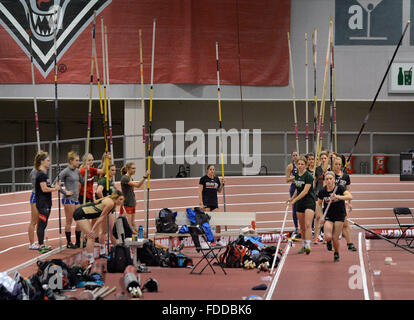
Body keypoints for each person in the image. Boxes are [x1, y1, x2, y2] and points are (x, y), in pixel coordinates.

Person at [73, 190, 125, 265]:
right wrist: (93, 229)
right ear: (116, 198)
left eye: (122, 200)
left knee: (91, 235)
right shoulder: (110, 203)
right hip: (80, 214)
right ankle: (91, 260)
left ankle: (91, 258)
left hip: (86, 213)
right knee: (91, 236)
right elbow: (101, 217)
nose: (121, 202)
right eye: (120, 199)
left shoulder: (111, 200)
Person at [317, 171, 353, 262]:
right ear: (324, 180)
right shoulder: (322, 191)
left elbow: (350, 196)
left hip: (339, 215)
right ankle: (328, 242)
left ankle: (336, 253)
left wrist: (338, 197)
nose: (329, 181)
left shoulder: (340, 188)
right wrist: (321, 216)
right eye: (327, 179)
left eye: (330, 179)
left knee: (335, 238)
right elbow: (318, 204)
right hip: (328, 216)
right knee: (328, 236)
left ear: (334, 180)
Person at [34, 151, 60, 254]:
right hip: (42, 204)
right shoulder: (41, 175)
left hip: (46, 203)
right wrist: (55, 189)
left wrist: (54, 186)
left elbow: (47, 187)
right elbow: (44, 189)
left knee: (44, 224)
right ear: (42, 161)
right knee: (42, 224)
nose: (50, 162)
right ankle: (41, 245)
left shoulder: (44, 174)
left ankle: (42, 244)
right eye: (48, 160)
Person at [288, 156, 316, 254]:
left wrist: (294, 200)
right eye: (298, 164)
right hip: (300, 203)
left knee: (308, 225)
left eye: (302, 164)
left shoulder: (309, 175)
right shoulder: (296, 175)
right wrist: (291, 198)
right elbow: (297, 189)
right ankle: (303, 246)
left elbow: (304, 191)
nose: (300, 166)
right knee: (302, 226)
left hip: (309, 202)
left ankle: (308, 245)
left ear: (306, 165)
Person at [331, 155, 357, 252]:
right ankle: (332, 243)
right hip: (332, 203)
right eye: (335, 164)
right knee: (334, 225)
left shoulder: (345, 176)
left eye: (339, 164)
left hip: (342, 203)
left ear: (341, 165)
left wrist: (349, 203)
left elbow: (348, 190)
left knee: (345, 224)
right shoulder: (330, 175)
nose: (337, 166)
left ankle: (349, 243)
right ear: (333, 165)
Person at [59, 151, 84, 249]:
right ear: (71, 161)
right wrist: (65, 192)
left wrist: (85, 171)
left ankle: (78, 242)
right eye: (76, 160)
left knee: (80, 220)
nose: (78, 162)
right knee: (69, 221)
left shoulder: (77, 170)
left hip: (76, 199)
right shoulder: (66, 171)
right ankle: (69, 242)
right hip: (68, 199)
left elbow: (82, 181)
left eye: (79, 160)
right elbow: (55, 183)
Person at [198, 165, 225, 246]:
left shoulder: (216, 179)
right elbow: (200, 191)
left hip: (214, 203)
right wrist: (201, 203)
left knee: (218, 222)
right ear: (207, 170)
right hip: (206, 203)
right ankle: (208, 240)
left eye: (213, 169)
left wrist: (222, 184)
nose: (212, 171)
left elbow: (219, 191)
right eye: (210, 169)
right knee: (208, 223)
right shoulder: (203, 179)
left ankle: (218, 240)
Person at [120, 162, 150, 232]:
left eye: (135, 168)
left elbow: (131, 191)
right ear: (127, 169)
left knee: (133, 222)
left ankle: (137, 233)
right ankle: (131, 235)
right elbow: (138, 185)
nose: (134, 170)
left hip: (131, 202)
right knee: (128, 224)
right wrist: (145, 176)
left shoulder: (130, 178)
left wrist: (134, 200)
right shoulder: (125, 178)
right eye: (133, 168)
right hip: (126, 203)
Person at [313, 151, 329, 243]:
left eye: (325, 158)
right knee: (318, 216)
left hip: (327, 194)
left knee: (326, 216)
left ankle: (326, 235)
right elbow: (314, 182)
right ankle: (317, 236)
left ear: (327, 159)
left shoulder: (330, 169)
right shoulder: (317, 169)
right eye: (321, 158)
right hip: (318, 194)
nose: (323, 160)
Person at [285, 151, 299, 235]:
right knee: (295, 207)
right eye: (293, 155)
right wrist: (295, 177)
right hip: (294, 187)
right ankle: (296, 227)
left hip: (302, 186)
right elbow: (287, 179)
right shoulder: (290, 166)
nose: (295, 156)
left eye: (296, 155)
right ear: (292, 157)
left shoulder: (302, 165)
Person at [28, 166, 40, 250]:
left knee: (40, 221)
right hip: (35, 196)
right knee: (34, 221)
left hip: (42, 197)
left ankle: (41, 242)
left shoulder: (42, 171)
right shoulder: (35, 171)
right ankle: (31, 244)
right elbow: (37, 185)